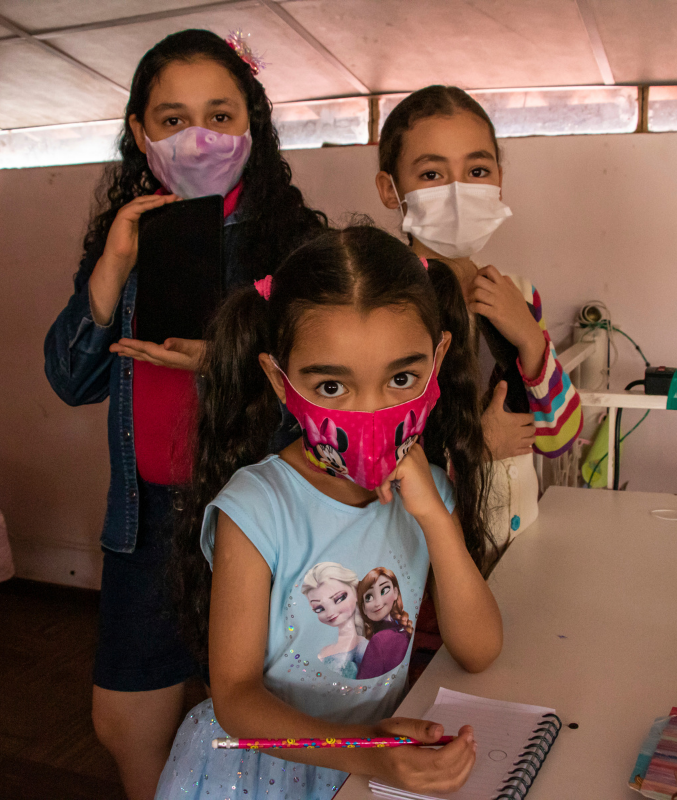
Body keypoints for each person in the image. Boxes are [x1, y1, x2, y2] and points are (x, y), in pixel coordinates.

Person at [43, 29, 326, 800]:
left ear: (251, 126)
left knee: (263, 721)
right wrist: (113, 265)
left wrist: (227, 361)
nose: (196, 136)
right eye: (172, 119)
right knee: (127, 724)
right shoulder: (131, 238)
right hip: (145, 519)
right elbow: (72, 380)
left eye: (219, 115)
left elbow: (336, 398)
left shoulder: (294, 245)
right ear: (140, 132)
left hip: (262, 521)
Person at [159, 225, 502, 799]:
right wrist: (369, 752)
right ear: (280, 379)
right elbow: (237, 698)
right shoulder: (258, 506)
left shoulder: (430, 493)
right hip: (260, 776)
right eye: (332, 387)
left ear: (438, 359)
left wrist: (437, 520)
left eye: (401, 379)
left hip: (366, 770)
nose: (371, 412)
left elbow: (480, 650)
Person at [375, 85, 583, 547]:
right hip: (428, 556)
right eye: (432, 173)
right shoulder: (382, 305)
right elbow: (372, 460)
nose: (458, 191)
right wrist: (473, 450)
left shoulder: (519, 293)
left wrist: (529, 338)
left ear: (499, 180)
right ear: (391, 189)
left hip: (522, 535)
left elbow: (560, 435)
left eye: (477, 170)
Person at [356, 566, 413, 679]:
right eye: (369, 597)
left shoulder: (380, 639)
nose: (378, 603)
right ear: (363, 608)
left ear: (395, 592)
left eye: (384, 590)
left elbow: (364, 684)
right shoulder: (401, 628)